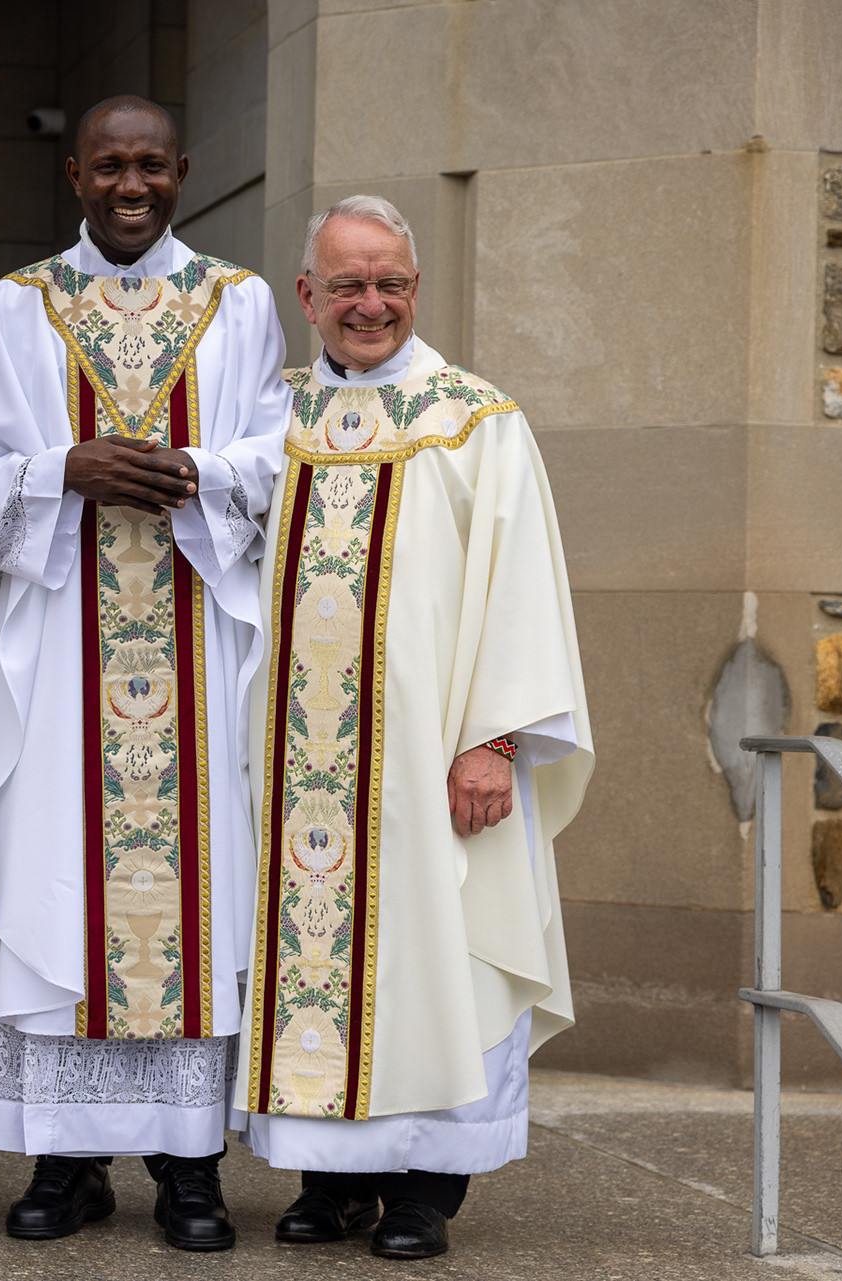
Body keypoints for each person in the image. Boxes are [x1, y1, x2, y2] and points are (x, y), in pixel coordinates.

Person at [0, 95, 292, 1253]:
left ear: (182, 171)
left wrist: (191, 470)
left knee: (192, 899)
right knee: (59, 889)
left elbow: (277, 455)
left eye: (150, 165)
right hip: (59, 659)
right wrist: (63, 468)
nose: (130, 184)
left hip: (194, 644)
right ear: (73, 174)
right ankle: (66, 1160)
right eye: (110, 166)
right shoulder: (13, 305)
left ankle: (188, 1168)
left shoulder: (240, 305)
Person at [234, 194, 593, 1260]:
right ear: (308, 295)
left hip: (436, 760)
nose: (370, 304)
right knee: (307, 951)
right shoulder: (273, 420)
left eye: (390, 282)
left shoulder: (475, 418)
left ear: (417, 289)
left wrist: (494, 742)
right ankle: (327, 1180)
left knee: (441, 958)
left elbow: (523, 589)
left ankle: (429, 1188)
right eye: (346, 284)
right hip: (299, 766)